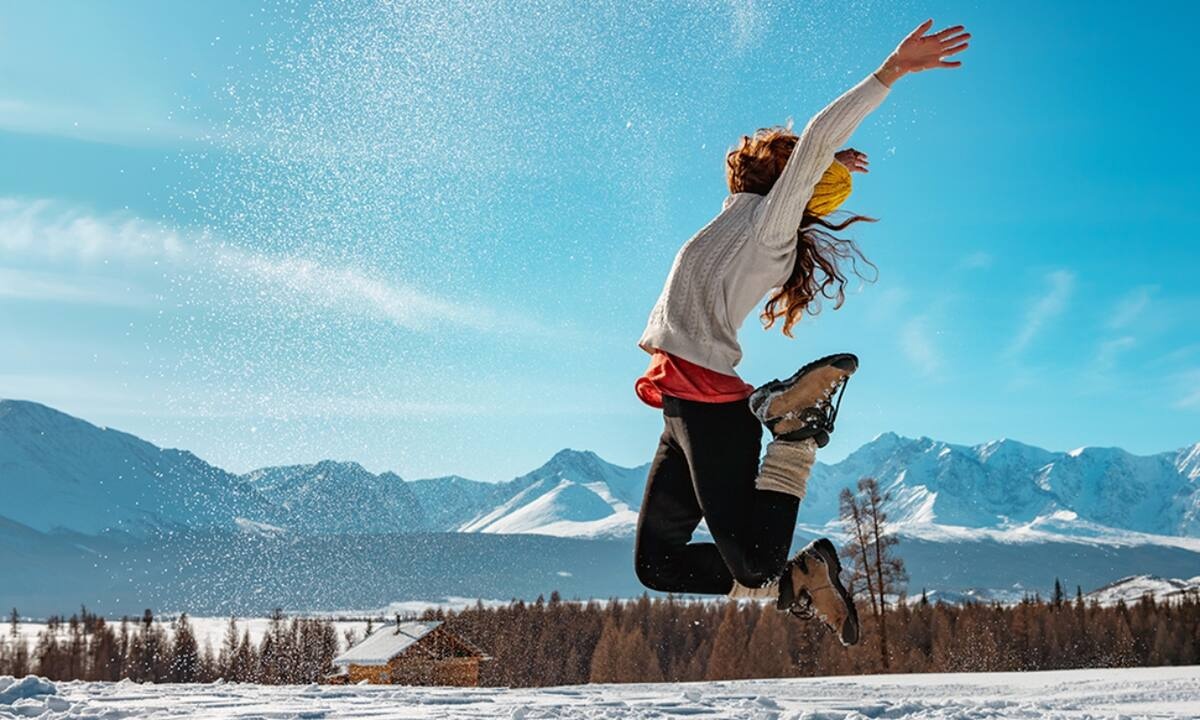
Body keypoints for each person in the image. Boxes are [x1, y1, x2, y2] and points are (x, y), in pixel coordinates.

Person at [633, 19, 970, 646]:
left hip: (711, 406)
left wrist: (890, 72)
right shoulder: (734, 214)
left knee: (750, 563)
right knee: (657, 564)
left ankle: (794, 432)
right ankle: (802, 579)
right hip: (679, 406)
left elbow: (811, 140)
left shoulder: (767, 228)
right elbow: (793, 160)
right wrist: (820, 167)